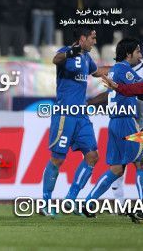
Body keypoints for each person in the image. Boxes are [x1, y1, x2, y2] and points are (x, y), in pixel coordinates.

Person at [41, 26, 109, 216]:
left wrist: (121, 69)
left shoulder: (87, 58)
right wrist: (72, 51)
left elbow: (97, 72)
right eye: (92, 38)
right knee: (57, 158)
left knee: (92, 156)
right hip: (65, 114)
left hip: (81, 115)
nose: (95, 42)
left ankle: (70, 200)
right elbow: (56, 60)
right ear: (82, 38)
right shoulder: (65, 53)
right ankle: (46, 203)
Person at [83, 38, 143, 223]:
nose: (140, 56)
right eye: (138, 52)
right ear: (128, 54)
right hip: (128, 123)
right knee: (141, 163)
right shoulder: (125, 70)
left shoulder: (114, 71)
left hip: (114, 123)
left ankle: (89, 201)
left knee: (117, 169)